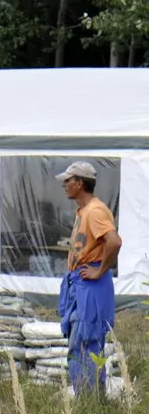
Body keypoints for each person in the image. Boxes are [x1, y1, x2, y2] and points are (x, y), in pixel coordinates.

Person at [56, 161, 121, 396]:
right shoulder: (84, 211)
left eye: (68, 180)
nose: (64, 184)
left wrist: (100, 270)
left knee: (85, 342)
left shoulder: (95, 211)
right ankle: (91, 399)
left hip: (91, 284)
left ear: (79, 183)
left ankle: (89, 403)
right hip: (80, 283)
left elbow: (114, 241)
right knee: (80, 342)